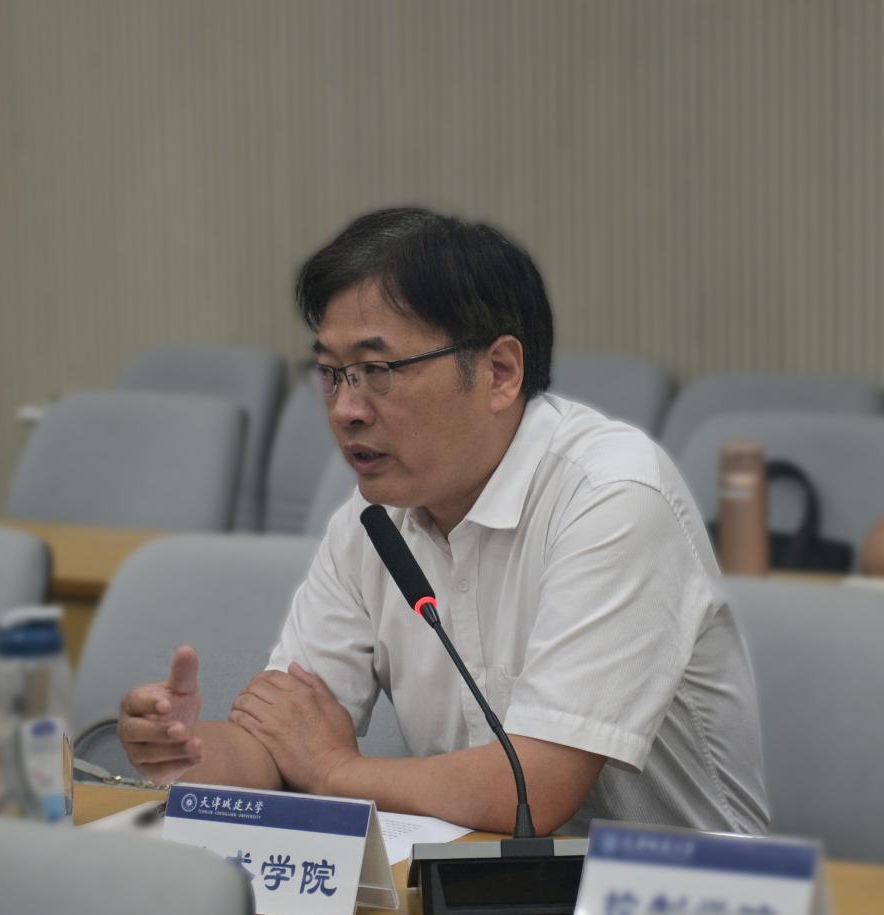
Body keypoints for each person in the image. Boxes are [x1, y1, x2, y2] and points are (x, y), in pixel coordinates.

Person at [118, 207, 769, 837]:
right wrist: (188, 753)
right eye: (332, 374)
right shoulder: (371, 523)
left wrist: (337, 771)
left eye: (377, 371)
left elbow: (536, 787)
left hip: (681, 888)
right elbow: (281, 744)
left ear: (500, 372)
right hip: (476, 882)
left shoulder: (614, 496)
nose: (345, 409)